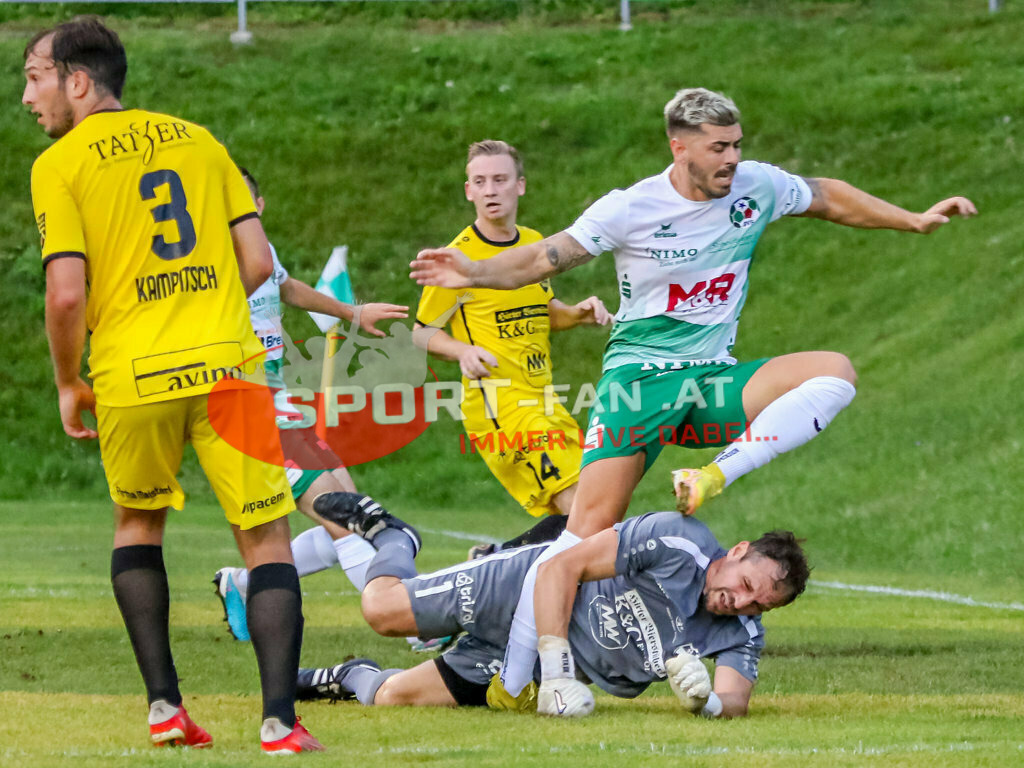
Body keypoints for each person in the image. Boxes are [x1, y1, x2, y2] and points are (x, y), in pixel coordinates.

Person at [410, 87, 977, 700]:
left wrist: (912, 218)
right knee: (585, 532)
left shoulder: (756, 186)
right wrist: (473, 271)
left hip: (709, 380)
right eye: (718, 148)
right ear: (679, 148)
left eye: (736, 145)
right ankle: (523, 679)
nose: (732, 159)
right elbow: (544, 259)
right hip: (640, 385)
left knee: (834, 373)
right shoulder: (631, 207)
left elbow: (826, 196)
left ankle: (713, 476)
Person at [23, 17, 321, 752]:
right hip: (226, 367)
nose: (27, 97)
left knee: (138, 524)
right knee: (266, 537)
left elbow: (66, 294)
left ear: (77, 81)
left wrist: (68, 381)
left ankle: (165, 709)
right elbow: (258, 264)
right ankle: (280, 724)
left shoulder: (59, 165)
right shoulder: (199, 140)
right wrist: (202, 308)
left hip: (131, 373)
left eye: (34, 78)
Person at [296, 491, 809, 719]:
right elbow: (561, 568)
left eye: (757, 606)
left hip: (537, 665)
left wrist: (706, 702)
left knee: (392, 699)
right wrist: (561, 675)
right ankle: (394, 538)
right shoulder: (678, 540)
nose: (741, 602)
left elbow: (736, 701)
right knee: (381, 611)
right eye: (745, 584)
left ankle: (349, 675)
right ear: (737, 550)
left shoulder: (741, 632)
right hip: (519, 589)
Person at [212, 167, 408, 643]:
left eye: (243, 201)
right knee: (343, 517)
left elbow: (286, 287)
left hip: (278, 399)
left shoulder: (261, 252)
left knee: (351, 510)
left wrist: (352, 312)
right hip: (244, 404)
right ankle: (411, 623)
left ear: (259, 206)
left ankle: (242, 584)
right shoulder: (211, 259)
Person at [413, 140, 611, 554]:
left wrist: (576, 314)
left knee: (595, 504)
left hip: (544, 398)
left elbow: (541, 311)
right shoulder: (458, 259)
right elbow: (421, 332)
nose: (490, 190)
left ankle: (497, 559)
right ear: (468, 191)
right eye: (480, 182)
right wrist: (462, 352)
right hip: (498, 406)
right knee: (586, 509)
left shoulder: (534, 244)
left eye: (500, 180)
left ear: (520, 185)